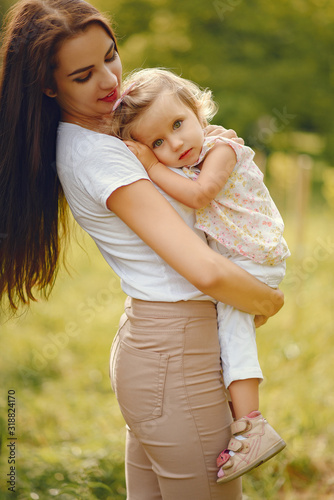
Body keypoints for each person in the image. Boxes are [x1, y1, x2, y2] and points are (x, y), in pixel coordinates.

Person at [0, 1, 284, 499]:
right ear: (49, 86)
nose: (110, 80)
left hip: (162, 348)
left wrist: (214, 147)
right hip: (176, 351)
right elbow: (206, 272)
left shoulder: (104, 135)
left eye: (111, 56)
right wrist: (267, 301)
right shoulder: (101, 157)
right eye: (84, 75)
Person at [111, 68, 290, 483]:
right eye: (158, 141)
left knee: (233, 334)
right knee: (230, 330)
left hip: (253, 257)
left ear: (198, 111)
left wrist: (152, 165)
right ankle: (239, 416)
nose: (175, 143)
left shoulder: (222, 148)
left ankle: (252, 425)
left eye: (178, 124)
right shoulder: (190, 159)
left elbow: (199, 195)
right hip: (238, 255)